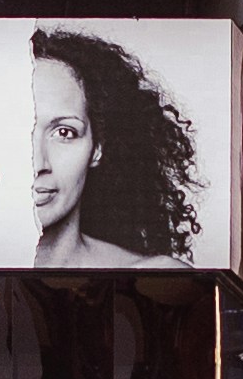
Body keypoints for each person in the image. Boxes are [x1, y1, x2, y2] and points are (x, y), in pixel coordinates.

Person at [29, 26, 205, 270]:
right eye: (15, 132)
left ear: (97, 147)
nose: (37, 163)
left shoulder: (152, 275)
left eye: (64, 133)